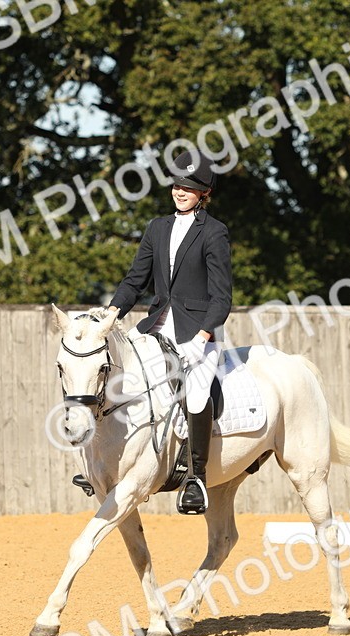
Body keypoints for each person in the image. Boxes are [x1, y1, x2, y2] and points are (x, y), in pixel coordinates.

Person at [106, 149, 232, 514]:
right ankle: (105, 463)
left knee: (194, 395)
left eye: (189, 188)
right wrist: (112, 315)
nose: (180, 192)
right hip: (157, 325)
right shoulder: (157, 228)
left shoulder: (214, 232)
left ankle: (195, 479)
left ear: (203, 193)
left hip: (197, 332)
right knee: (119, 376)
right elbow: (135, 280)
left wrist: (203, 338)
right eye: (177, 185)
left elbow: (222, 298)